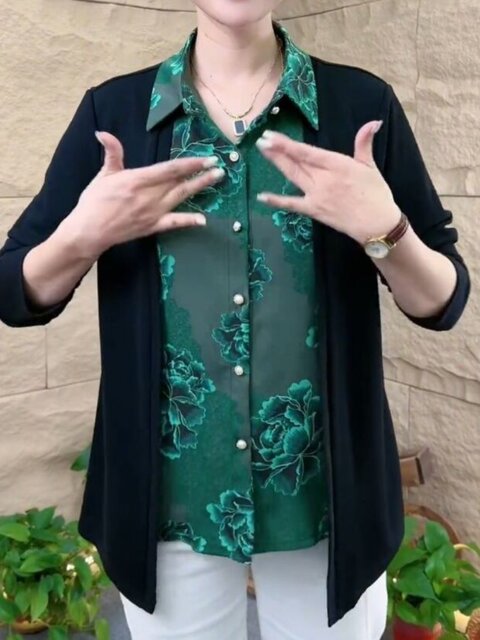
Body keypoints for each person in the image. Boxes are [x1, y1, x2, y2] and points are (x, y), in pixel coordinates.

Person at [0, 1, 470, 639]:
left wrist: (387, 231)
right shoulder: (114, 114)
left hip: (327, 506)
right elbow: (15, 290)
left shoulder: (361, 105)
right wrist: (82, 237)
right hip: (169, 506)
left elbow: (443, 300)